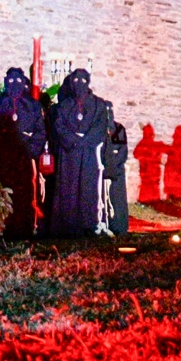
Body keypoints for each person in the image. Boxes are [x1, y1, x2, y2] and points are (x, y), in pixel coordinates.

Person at [50, 68, 110, 238]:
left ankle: (88, 222)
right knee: (68, 186)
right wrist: (73, 140)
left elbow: (101, 125)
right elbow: (59, 126)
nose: (79, 85)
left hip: (89, 152)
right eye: (75, 81)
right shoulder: (64, 106)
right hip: (70, 152)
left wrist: (85, 141)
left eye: (83, 81)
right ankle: (68, 224)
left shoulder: (98, 104)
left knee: (88, 187)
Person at [0, 67, 48, 238]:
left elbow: (40, 132)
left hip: (25, 157)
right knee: (4, 191)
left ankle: (26, 226)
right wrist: (3, 149)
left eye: (19, 81)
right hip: (4, 159)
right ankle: (4, 226)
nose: (15, 85)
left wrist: (30, 151)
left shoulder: (33, 106)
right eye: (11, 81)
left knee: (25, 192)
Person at [102, 108, 130, 237]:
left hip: (116, 171)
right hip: (102, 170)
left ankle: (119, 225)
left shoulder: (119, 129)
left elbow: (122, 151)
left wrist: (112, 166)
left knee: (117, 200)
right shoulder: (98, 129)